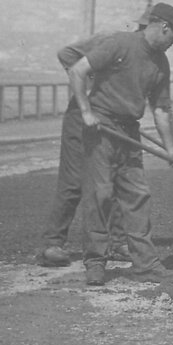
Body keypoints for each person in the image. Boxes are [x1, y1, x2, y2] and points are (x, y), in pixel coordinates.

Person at [66, 2, 173, 286]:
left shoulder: (161, 63)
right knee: (100, 195)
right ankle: (96, 264)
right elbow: (77, 71)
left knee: (138, 196)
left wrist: (171, 148)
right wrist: (86, 111)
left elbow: (161, 109)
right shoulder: (121, 44)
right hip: (101, 129)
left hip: (128, 133)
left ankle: (145, 264)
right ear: (164, 27)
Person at [37, 23, 138, 268]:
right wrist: (90, 91)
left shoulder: (141, 52)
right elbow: (66, 54)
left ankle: (117, 242)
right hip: (83, 117)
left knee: (110, 178)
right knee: (73, 181)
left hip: (110, 118)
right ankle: (53, 243)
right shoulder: (113, 39)